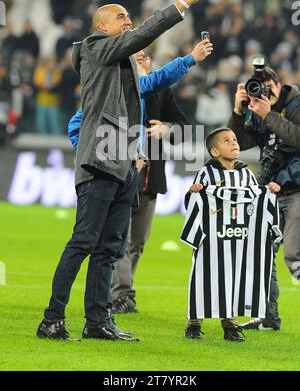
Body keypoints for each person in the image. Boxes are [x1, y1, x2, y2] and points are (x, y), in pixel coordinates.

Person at [36, 0, 208, 342]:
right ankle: (52, 318)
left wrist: (188, 60)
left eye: (130, 17)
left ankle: (98, 321)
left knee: (110, 249)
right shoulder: (96, 48)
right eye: (122, 17)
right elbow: (139, 38)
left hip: (124, 164)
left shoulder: (120, 66)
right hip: (100, 161)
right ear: (103, 26)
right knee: (83, 241)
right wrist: (183, 3)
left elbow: (150, 83)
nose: (128, 21)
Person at [68, 44, 213, 314]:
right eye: (136, 54)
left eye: (144, 55)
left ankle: (121, 290)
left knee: (137, 243)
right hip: (117, 173)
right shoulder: (112, 89)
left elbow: (185, 130)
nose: (141, 57)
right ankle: (121, 293)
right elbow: (79, 123)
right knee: (118, 238)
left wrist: (166, 129)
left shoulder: (160, 93)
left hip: (149, 178)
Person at [182, 127, 281, 341]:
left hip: (239, 238)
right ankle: (194, 323)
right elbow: (193, 205)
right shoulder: (206, 173)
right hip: (211, 240)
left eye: (235, 139)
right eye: (226, 141)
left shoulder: (246, 174)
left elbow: (257, 201)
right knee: (204, 277)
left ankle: (230, 324)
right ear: (215, 152)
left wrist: (270, 190)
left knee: (234, 278)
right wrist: (193, 192)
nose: (234, 143)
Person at [227, 66, 300, 330]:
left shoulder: (296, 104)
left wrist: (268, 115)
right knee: (262, 253)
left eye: (267, 87)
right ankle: (269, 317)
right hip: (269, 191)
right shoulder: (257, 110)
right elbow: (231, 143)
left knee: (294, 255)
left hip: (296, 188)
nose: (263, 92)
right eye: (257, 87)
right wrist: (238, 110)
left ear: (279, 86)